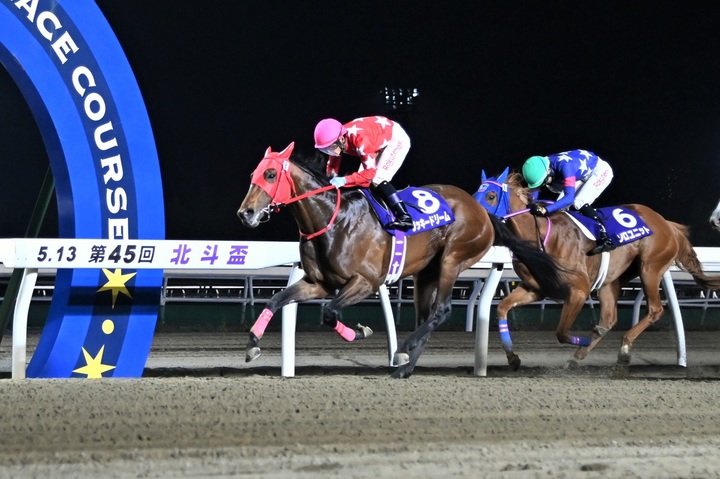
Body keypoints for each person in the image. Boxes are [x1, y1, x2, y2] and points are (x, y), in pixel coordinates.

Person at [313, 116, 414, 231]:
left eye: (330, 148)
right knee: (361, 183)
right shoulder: (336, 141)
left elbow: (369, 173)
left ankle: (404, 216)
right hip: (376, 138)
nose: (329, 152)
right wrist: (328, 181)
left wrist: (344, 180)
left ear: (341, 139)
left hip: (395, 139)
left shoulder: (360, 141)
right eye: (324, 150)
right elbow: (333, 165)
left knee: (377, 179)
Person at [521, 149, 616, 255]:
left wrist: (545, 209)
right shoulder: (542, 165)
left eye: (544, 181)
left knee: (578, 202)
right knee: (560, 207)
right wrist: (532, 203)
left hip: (600, 171)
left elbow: (569, 198)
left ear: (548, 170)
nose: (543, 184)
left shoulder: (565, 166)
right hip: (580, 173)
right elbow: (536, 188)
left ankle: (605, 237)